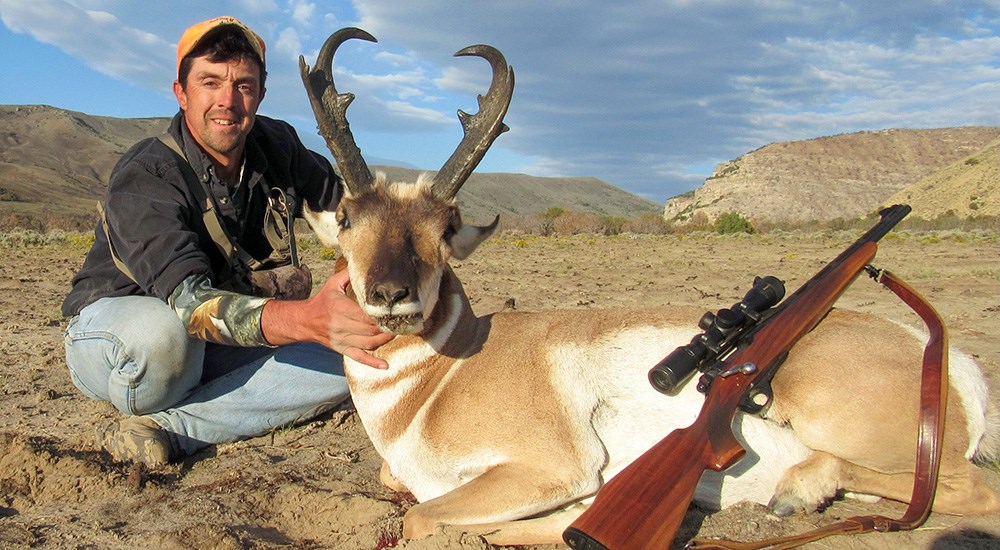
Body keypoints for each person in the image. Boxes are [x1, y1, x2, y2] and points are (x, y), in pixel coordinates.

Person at [61, 16, 392, 467]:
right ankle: (201, 399)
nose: (227, 101)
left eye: (243, 85)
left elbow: (353, 218)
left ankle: (172, 430)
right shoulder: (147, 175)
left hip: (220, 342)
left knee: (358, 358)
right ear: (181, 93)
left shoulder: (279, 145)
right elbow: (193, 308)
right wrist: (309, 321)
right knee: (165, 341)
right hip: (121, 338)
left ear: (260, 94)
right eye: (210, 81)